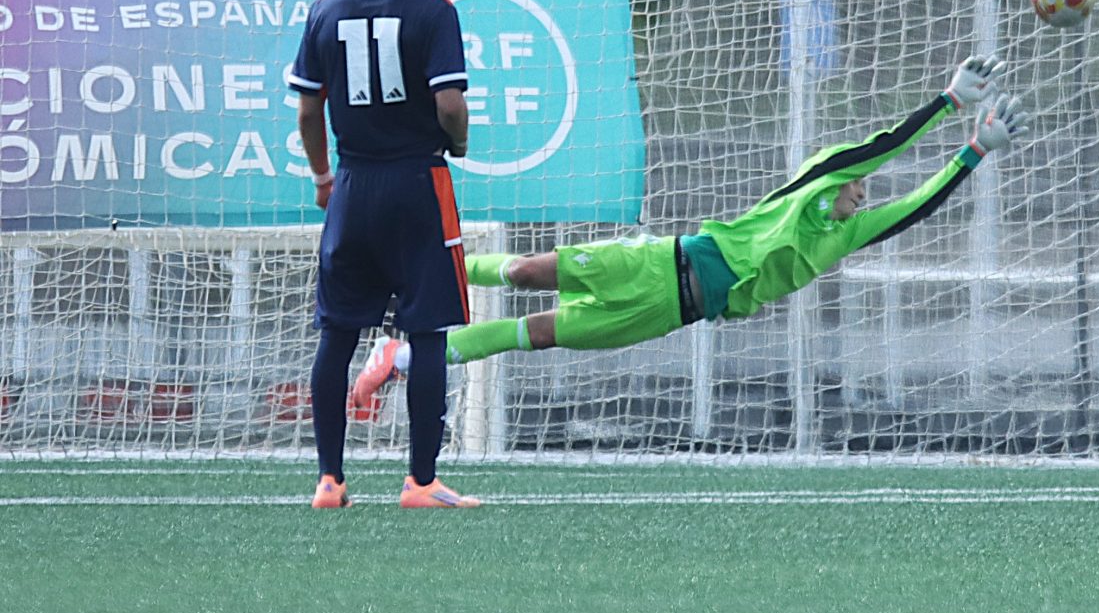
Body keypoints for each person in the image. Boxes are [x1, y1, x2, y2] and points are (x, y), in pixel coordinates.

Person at [349, 58, 1025, 391]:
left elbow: (918, 205)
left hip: (668, 311)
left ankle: (398, 358)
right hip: (656, 259)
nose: (865, 188)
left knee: (539, 335)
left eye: (864, 190)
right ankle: (414, 269)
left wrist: (972, 152)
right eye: (855, 184)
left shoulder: (843, 236)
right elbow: (879, 147)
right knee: (527, 271)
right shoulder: (814, 183)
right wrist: (946, 105)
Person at [289, 0, 480, 510]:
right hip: (418, 185)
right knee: (427, 334)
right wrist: (460, 137)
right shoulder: (435, 12)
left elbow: (308, 107)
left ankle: (329, 480)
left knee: (337, 332)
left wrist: (323, 177)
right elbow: (449, 105)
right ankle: (420, 482)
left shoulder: (326, 9)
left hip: (353, 185)